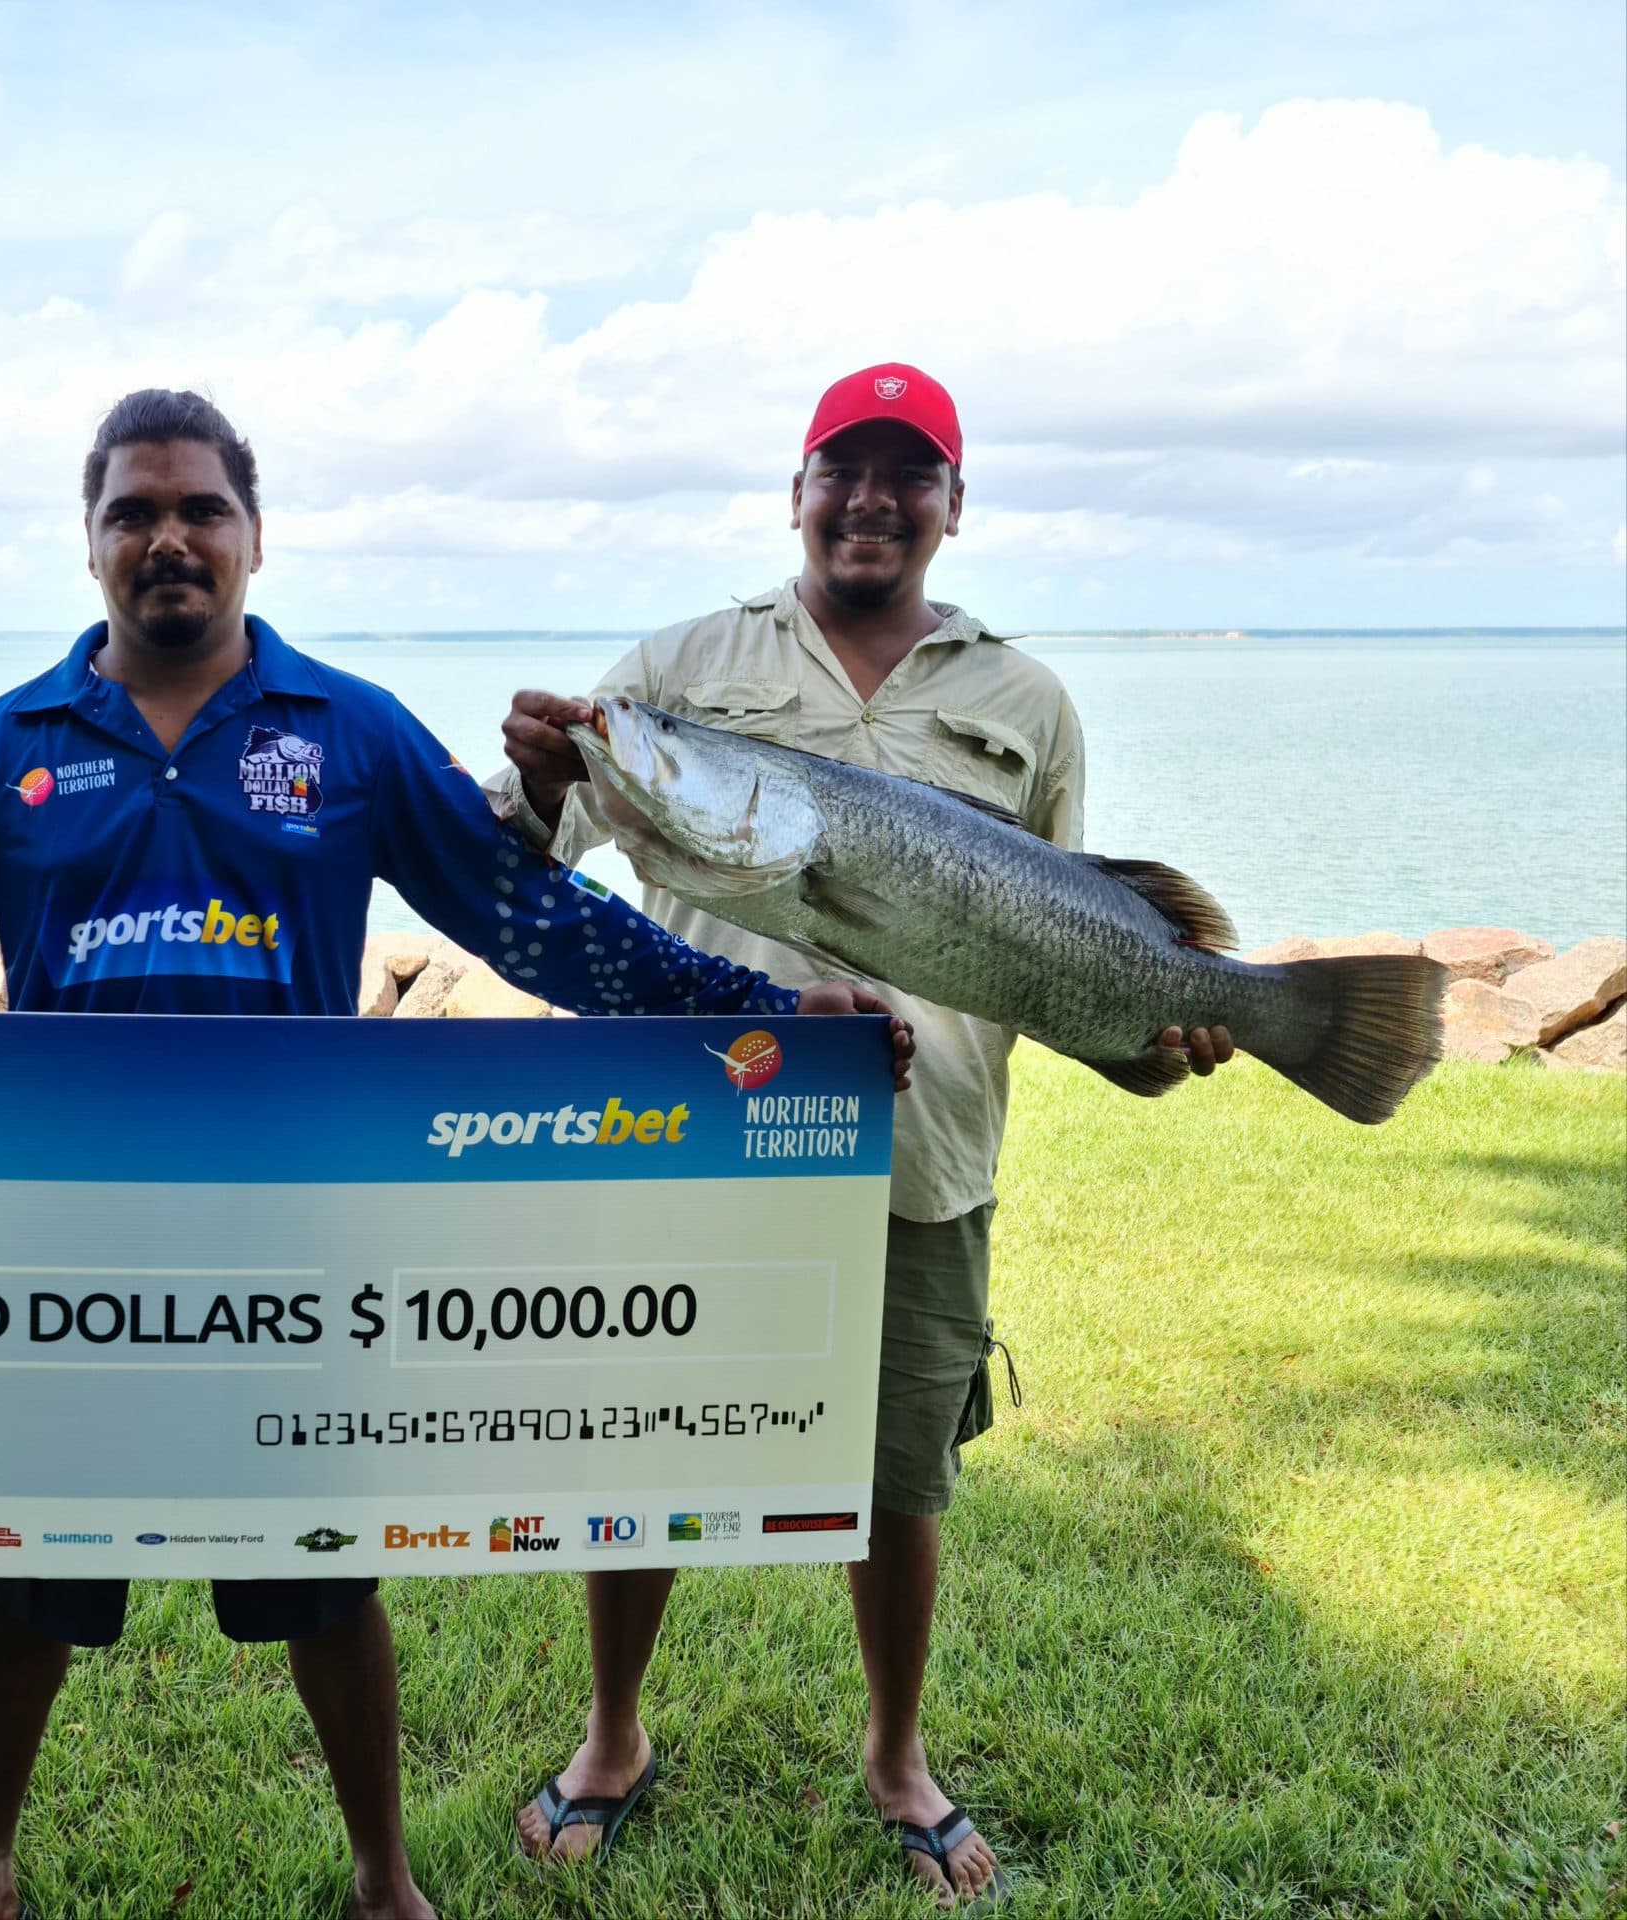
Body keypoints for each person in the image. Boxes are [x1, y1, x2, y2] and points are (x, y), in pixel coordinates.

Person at [0, 391, 912, 1920]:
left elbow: (535, 922)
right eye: (133, 512)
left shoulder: (347, 731)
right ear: (91, 548)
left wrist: (768, 1016)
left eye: (200, 508)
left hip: (298, 1252)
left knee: (324, 1570)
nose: (169, 538)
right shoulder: (6, 748)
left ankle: (384, 1879)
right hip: (63, 1254)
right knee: (33, 1570)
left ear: (253, 537)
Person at [488, 364, 1231, 1909]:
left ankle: (898, 1753)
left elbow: (1071, 934)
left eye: (911, 475)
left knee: (903, 1479)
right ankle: (612, 1733)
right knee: (645, 1442)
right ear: (798, 487)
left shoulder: (1025, 701)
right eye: (846, 468)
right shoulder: (682, 665)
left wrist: (1164, 1029)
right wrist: (548, 779)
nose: (873, 501)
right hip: (687, 1131)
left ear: (954, 506)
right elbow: (522, 850)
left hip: (927, 1152)